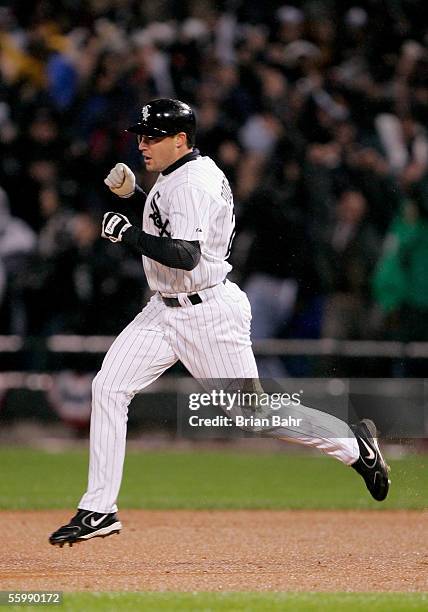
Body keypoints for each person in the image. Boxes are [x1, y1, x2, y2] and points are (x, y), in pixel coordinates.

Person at [49, 99, 390, 547]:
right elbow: (176, 229)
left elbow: (186, 255)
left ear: (180, 140)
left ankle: (353, 445)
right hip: (165, 309)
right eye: (141, 135)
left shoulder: (192, 183)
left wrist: (126, 232)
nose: (142, 142)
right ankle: (99, 509)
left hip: (207, 313)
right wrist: (136, 196)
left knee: (255, 415)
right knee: (108, 387)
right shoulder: (185, 172)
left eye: (152, 136)